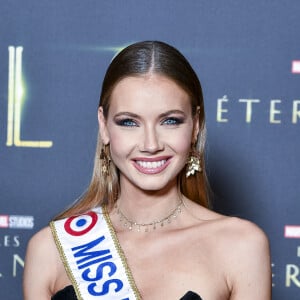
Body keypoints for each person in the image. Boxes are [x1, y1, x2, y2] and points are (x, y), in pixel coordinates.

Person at [23, 41, 271, 300]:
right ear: (104, 125)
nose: (151, 145)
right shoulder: (50, 250)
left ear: (195, 125)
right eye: (129, 122)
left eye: (170, 121)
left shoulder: (241, 246)